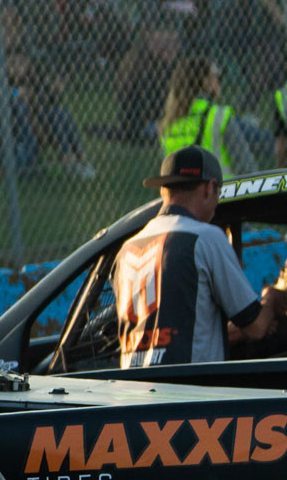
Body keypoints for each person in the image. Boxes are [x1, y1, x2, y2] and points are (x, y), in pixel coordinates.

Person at [114, 146, 280, 367]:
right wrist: (272, 299)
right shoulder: (205, 238)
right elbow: (256, 327)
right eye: (218, 194)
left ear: (164, 190)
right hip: (189, 393)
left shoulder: (126, 249)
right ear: (209, 187)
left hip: (134, 394)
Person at [158, 55, 260, 177]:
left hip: (180, 194)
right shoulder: (218, 116)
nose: (219, 83)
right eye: (217, 78)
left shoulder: (169, 124)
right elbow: (246, 168)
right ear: (206, 82)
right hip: (219, 193)